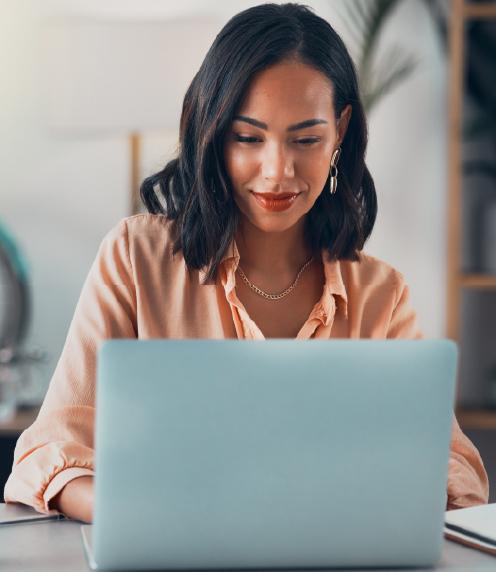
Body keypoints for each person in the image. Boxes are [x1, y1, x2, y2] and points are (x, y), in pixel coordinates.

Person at [4, 3, 488, 524]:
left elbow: (453, 469)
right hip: (170, 549)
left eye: (306, 139)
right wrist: (139, 513)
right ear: (213, 133)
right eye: (248, 138)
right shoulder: (135, 259)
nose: (277, 171)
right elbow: (48, 453)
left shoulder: (380, 295)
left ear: (341, 132)